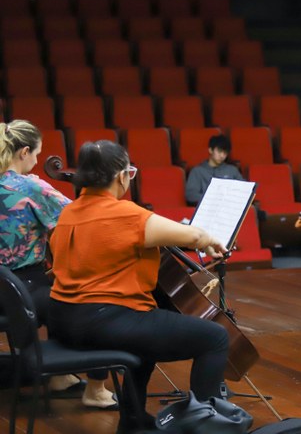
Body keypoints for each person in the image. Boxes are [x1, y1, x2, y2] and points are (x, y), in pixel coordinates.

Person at [47, 140, 230, 432]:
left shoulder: (69, 212)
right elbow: (193, 237)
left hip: (64, 320)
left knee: (144, 334)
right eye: (129, 173)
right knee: (215, 338)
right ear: (121, 176)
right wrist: (210, 239)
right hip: (105, 322)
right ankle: (203, 426)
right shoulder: (125, 214)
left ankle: (133, 421)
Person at [0, 120, 115, 409]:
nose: (38, 161)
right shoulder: (29, 186)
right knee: (91, 300)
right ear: (24, 151)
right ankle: (97, 390)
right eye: (37, 154)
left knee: (52, 286)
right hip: (20, 290)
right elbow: (80, 215)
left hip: (4, 290)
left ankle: (58, 377)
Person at [185, 134, 243, 205]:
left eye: (225, 153)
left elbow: (243, 191)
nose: (222, 155)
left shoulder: (232, 170)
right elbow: (191, 195)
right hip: (206, 209)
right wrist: (213, 199)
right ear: (210, 150)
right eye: (219, 151)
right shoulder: (197, 171)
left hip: (230, 207)